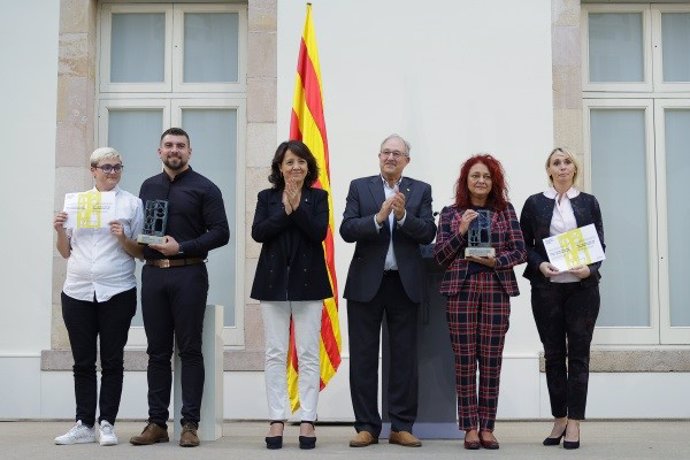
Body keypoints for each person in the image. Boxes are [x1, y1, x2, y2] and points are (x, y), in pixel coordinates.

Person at [129, 127, 229, 448]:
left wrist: (182, 247)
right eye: (169, 145)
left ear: (190, 151)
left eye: (180, 146)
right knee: (157, 352)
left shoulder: (206, 188)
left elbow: (221, 233)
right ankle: (157, 422)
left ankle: (189, 424)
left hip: (189, 275)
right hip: (153, 276)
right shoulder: (147, 187)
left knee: (189, 350)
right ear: (159, 152)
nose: (175, 150)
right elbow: (142, 230)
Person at [340, 134, 436, 448]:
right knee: (364, 358)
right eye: (386, 152)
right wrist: (379, 218)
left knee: (404, 359)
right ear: (378, 156)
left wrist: (403, 217)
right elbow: (347, 229)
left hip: (404, 284)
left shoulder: (420, 190)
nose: (390, 158)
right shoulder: (360, 186)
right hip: (366, 284)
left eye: (397, 153)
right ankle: (367, 426)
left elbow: (428, 233)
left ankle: (401, 426)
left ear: (407, 160)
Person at [433, 154, 526, 450]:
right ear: (466, 180)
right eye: (475, 176)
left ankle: (488, 427)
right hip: (461, 291)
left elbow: (520, 251)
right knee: (464, 362)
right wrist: (460, 233)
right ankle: (469, 427)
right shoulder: (450, 213)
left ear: (493, 181)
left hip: (496, 289)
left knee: (491, 361)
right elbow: (439, 256)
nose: (481, 181)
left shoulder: (505, 210)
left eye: (486, 176)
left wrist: (496, 260)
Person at [52, 147, 144, 446]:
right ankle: (84, 423)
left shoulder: (131, 204)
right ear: (93, 170)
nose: (113, 172)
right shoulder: (76, 203)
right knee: (82, 361)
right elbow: (66, 252)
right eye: (106, 167)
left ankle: (107, 423)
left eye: (118, 167)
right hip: (77, 290)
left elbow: (141, 252)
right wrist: (59, 230)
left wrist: (123, 238)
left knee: (113, 360)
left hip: (117, 290)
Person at [519, 148, 604, 450]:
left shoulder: (588, 202)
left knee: (579, 356)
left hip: (582, 291)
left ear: (574, 168)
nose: (563, 166)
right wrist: (540, 265)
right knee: (553, 355)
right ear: (549, 169)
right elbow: (524, 245)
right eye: (557, 162)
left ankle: (575, 423)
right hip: (547, 290)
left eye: (567, 161)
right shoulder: (534, 203)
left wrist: (588, 270)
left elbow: (599, 245)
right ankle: (559, 418)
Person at [250, 140, 332, 450]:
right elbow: (259, 233)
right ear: (279, 168)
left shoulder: (318, 197)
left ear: (308, 167)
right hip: (272, 284)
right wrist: (284, 211)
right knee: (274, 353)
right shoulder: (266, 197)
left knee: (309, 353)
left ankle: (308, 419)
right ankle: (277, 418)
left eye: (300, 162)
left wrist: (296, 209)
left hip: (309, 283)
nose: (295, 167)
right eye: (289, 162)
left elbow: (317, 233)